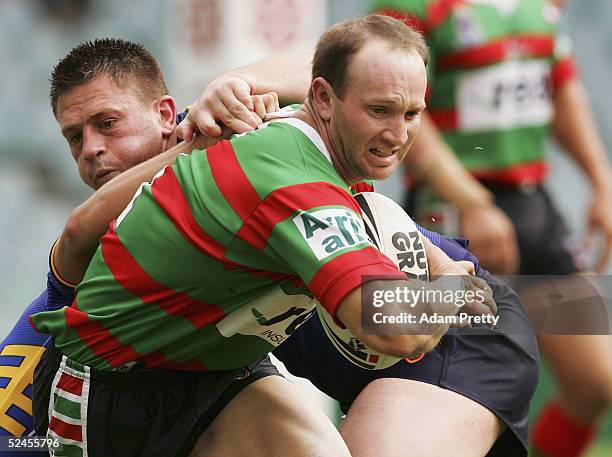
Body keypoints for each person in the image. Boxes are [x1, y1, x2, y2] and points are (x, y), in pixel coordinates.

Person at [28, 17, 498, 457]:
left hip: (220, 367)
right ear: (324, 99)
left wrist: (239, 80)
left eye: (412, 114)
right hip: (112, 390)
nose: (397, 134)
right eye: (380, 110)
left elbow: (330, 67)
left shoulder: (306, 138)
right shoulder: (290, 180)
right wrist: (457, 288)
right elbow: (393, 327)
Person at [369, 0, 612, 456]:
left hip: (532, 206)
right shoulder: (412, 7)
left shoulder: (545, 6)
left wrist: (602, 181)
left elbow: (561, 87)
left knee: (595, 382)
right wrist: (471, 200)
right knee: (453, 389)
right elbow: (396, 109)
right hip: (452, 215)